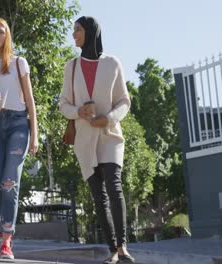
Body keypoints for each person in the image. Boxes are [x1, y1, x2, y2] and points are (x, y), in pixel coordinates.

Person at [59, 16, 135, 264]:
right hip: (84, 140)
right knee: (98, 197)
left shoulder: (112, 63)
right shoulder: (70, 67)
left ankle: (123, 247)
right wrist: (77, 112)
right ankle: (112, 249)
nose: (74, 35)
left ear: (91, 32)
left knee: (114, 187)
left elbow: (124, 101)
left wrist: (110, 118)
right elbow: (63, 104)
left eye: (78, 30)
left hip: (110, 136)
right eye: (74, 31)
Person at [0, 17, 38, 260]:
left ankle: (6, 241)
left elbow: (30, 101)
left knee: (10, 183)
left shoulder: (19, 63)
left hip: (18, 124)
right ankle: (6, 222)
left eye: (1, 31)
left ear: (7, 35)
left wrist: (35, 134)